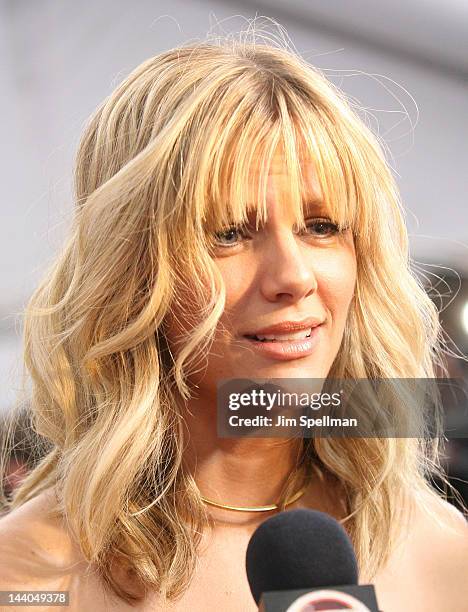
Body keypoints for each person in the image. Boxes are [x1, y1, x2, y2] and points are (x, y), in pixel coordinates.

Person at [0, 31, 467, 612]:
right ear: (130, 270)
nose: (293, 276)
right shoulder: (28, 577)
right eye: (228, 233)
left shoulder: (441, 553)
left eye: (321, 226)